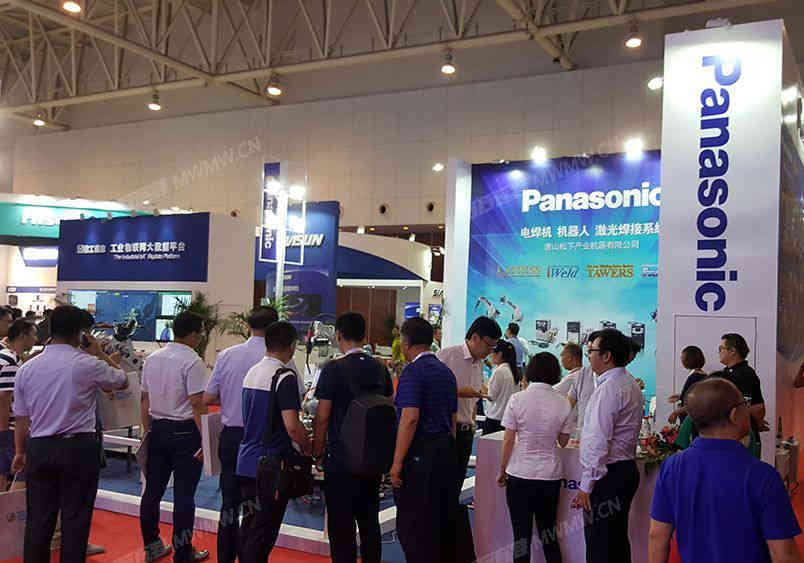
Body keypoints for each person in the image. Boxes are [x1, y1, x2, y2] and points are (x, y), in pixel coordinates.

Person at [11, 306, 128, 563]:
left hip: (39, 447)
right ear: (82, 334)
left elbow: (21, 417)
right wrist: (99, 353)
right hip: (78, 449)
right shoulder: (88, 364)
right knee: (76, 520)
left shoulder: (27, 368)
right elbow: (122, 381)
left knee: (38, 520)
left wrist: (20, 451)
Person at [649, 377, 803, 563]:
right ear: (734, 414)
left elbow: (657, 535)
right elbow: (784, 555)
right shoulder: (763, 476)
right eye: (745, 404)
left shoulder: (671, 467)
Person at [312, 312, 393, 563]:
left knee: (341, 527)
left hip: (340, 459)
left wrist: (317, 451)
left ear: (338, 335)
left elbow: (323, 416)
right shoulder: (380, 368)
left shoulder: (332, 369)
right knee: (369, 523)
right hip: (372, 459)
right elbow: (389, 407)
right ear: (364, 335)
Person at [202, 306, 277, 563]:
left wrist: (233, 398)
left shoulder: (227, 355)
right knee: (258, 507)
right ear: (275, 329)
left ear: (247, 326)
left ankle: (225, 558)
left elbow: (208, 397)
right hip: (262, 442)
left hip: (232, 438)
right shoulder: (278, 359)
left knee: (230, 505)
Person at [237, 321, 311, 561]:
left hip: (247, 461)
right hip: (271, 466)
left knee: (249, 526)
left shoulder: (252, 372)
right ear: (292, 346)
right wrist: (308, 447)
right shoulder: (284, 376)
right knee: (263, 533)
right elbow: (292, 427)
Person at [139, 312, 210, 563]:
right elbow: (197, 404)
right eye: (201, 332)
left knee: (152, 491)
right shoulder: (193, 361)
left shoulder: (152, 358)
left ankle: (152, 546)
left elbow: (144, 399)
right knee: (184, 495)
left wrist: (147, 431)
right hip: (185, 433)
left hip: (157, 430)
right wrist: (206, 441)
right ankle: (183, 552)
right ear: (194, 334)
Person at [571, 328, 642, 563]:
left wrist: (586, 485)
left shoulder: (610, 388)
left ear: (607, 355)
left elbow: (598, 440)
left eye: (591, 351)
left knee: (600, 544)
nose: (588, 356)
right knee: (616, 542)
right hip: (622, 470)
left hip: (607, 477)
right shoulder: (628, 382)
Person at [391, 317, 458, 562]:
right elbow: (452, 418)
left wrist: (397, 463)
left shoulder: (413, 372)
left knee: (412, 527)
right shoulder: (446, 372)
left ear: (406, 342)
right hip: (445, 451)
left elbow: (409, 418)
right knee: (437, 522)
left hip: (420, 454)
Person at [497, 352, 573, 563]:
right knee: (549, 534)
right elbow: (563, 441)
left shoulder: (517, 399)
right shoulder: (564, 403)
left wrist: (502, 471)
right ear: (555, 373)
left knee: (521, 537)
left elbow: (508, 440)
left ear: (531, 371)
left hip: (519, 473)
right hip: (550, 476)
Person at [438, 316, 501, 495]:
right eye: (488, 345)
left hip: (466, 432)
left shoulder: (479, 363)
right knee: (441, 484)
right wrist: (459, 392)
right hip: (447, 430)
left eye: (493, 348)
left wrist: (472, 424)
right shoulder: (447, 355)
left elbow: (473, 400)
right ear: (475, 337)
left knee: (456, 484)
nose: (490, 351)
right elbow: (432, 391)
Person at [0, 320, 37, 491]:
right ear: (23, 336)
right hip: (8, 427)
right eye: (33, 335)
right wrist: (4, 432)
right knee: (19, 472)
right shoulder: (11, 361)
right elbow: (4, 398)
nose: (35, 339)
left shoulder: (7, 357)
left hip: (7, 426)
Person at [719, 333, 767, 451]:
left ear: (732, 351)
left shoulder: (744, 374)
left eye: (721, 348)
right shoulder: (728, 372)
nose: (719, 352)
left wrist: (757, 420)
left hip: (740, 438)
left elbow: (756, 407)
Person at [567, 332, 600, 438]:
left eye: (592, 351)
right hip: (583, 436)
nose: (589, 356)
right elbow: (568, 405)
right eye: (588, 351)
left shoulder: (617, 381)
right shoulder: (581, 375)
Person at [483, 340, 520, 435]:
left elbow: (491, 396)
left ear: (499, 354)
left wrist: (480, 384)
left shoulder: (499, 371)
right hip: (507, 419)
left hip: (494, 420)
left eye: (492, 352)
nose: (490, 355)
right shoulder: (512, 371)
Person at [557, 342, 592, 437]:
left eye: (562, 356)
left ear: (570, 358)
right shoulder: (582, 375)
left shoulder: (573, 377)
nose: (561, 359)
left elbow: (549, 393)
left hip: (572, 429)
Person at [667, 345, 707, 424]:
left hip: (692, 421)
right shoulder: (701, 375)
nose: (681, 359)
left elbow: (696, 403)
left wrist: (676, 412)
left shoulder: (695, 377)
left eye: (682, 357)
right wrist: (680, 396)